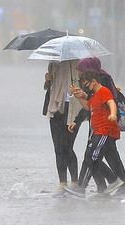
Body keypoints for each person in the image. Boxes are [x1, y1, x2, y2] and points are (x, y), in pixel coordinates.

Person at [64, 58, 125, 198]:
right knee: (109, 156)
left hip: (105, 125)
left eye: (82, 73)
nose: (81, 77)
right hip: (98, 124)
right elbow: (90, 105)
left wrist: (112, 114)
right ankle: (110, 187)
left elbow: (105, 101)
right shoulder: (91, 82)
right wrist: (77, 120)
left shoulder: (103, 81)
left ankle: (84, 186)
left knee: (91, 156)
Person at [43, 60, 83, 198]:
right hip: (55, 108)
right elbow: (49, 87)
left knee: (67, 146)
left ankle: (75, 182)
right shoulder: (53, 63)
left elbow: (86, 86)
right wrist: (48, 80)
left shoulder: (78, 64)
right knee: (58, 148)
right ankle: (63, 184)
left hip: (73, 109)